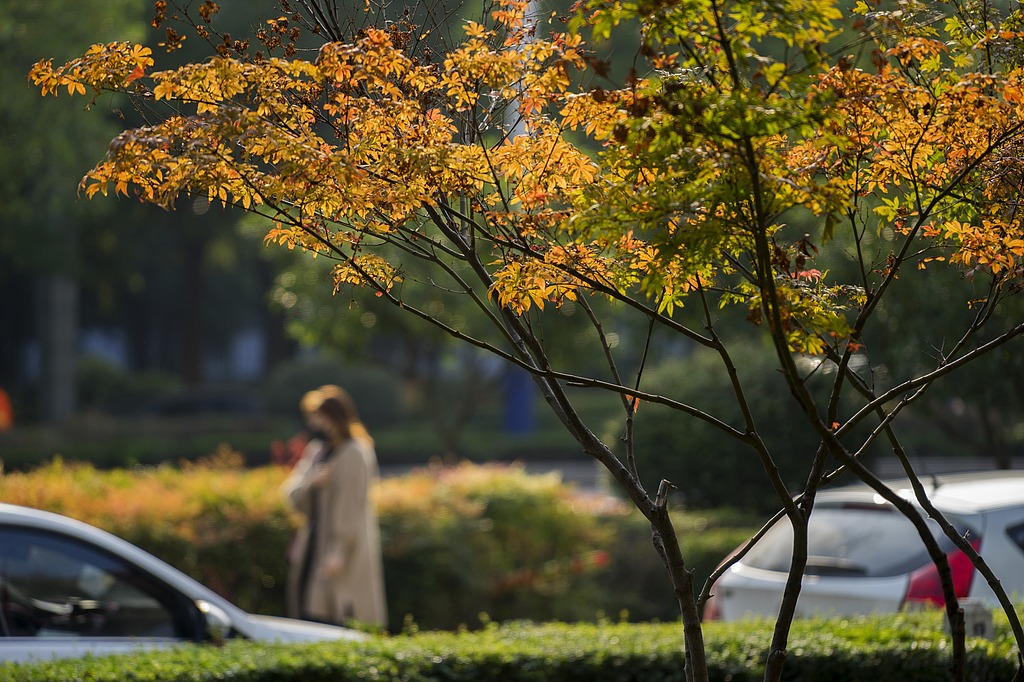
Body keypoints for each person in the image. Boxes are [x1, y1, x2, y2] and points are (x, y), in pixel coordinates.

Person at [282, 385, 387, 628]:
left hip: (344, 547)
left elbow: (352, 505)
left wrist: (338, 548)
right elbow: (292, 493)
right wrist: (312, 482)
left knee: (341, 611)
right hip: (314, 540)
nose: (317, 423)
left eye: (321, 416)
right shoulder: (318, 451)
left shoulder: (356, 452)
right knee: (310, 609)